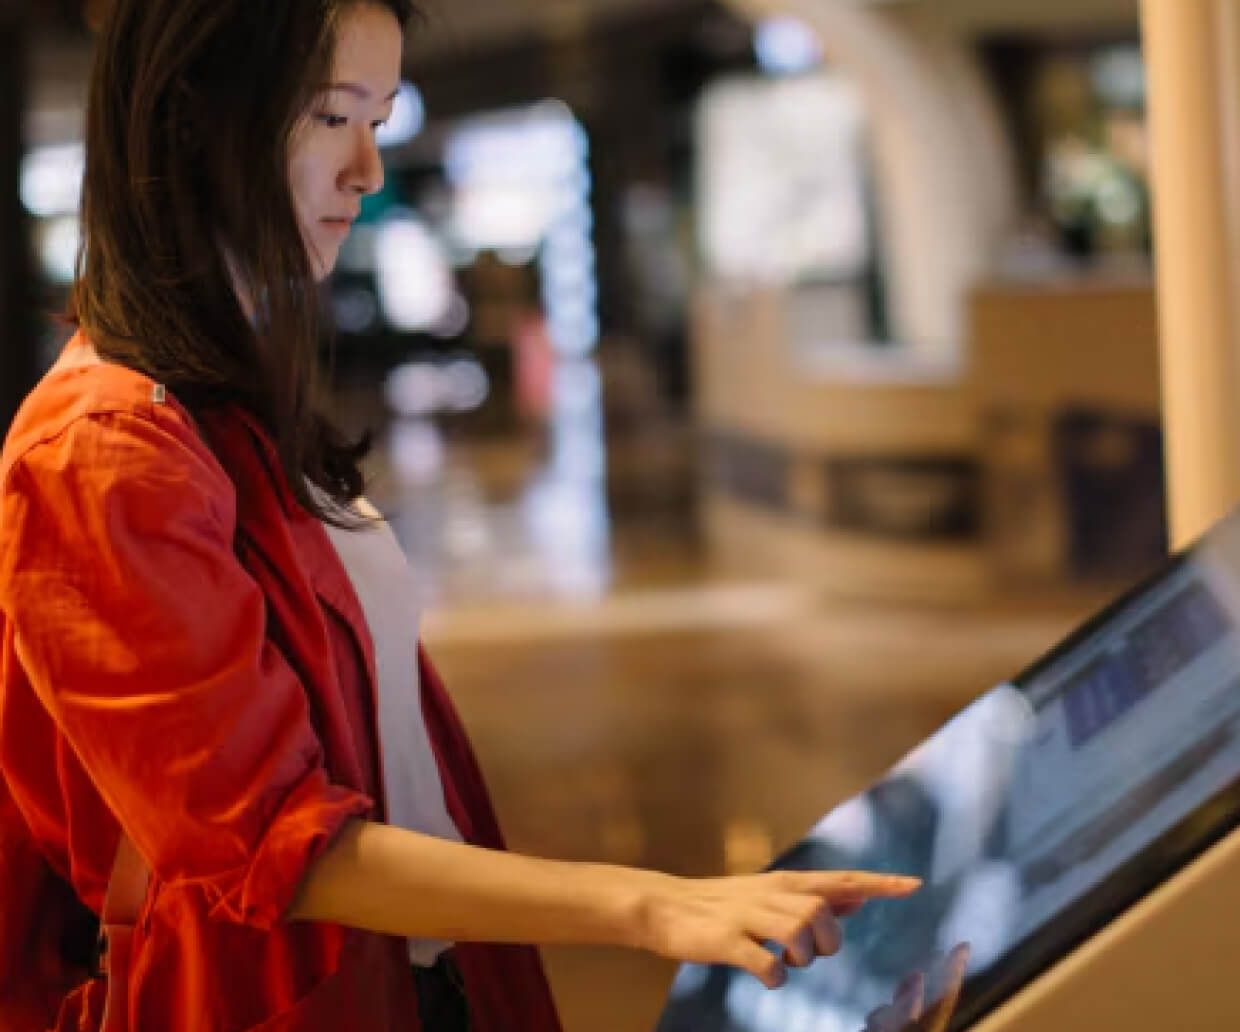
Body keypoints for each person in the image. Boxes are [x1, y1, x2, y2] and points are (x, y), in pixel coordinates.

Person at [0, 1, 922, 1029]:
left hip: (400, 973)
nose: (367, 171)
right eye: (330, 117)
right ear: (192, 118)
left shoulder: (227, 395)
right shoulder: (106, 448)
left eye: (377, 122)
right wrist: (654, 904)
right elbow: (272, 845)